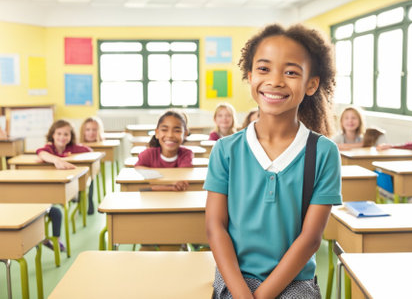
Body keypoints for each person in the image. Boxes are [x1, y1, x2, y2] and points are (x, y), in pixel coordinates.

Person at [204, 23, 341, 298]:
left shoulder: (324, 152)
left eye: (291, 72)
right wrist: (243, 294)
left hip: (293, 280)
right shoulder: (225, 149)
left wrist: (262, 296)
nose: (275, 81)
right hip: (235, 278)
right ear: (250, 74)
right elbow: (215, 227)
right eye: (264, 69)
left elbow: (310, 239)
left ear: (311, 84)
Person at [36, 119, 93, 251]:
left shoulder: (72, 148)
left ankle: (56, 240)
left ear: (71, 136)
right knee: (56, 212)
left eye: (66, 134)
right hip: (48, 190)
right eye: (59, 133)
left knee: (58, 211)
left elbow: (89, 151)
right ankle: (51, 240)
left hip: (67, 188)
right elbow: (41, 152)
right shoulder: (49, 148)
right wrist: (55, 159)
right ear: (52, 135)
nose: (62, 137)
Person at [134, 110, 193, 191]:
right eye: (164, 130)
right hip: (151, 200)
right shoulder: (147, 154)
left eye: (177, 131)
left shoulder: (186, 154)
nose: (170, 135)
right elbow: (139, 185)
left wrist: (157, 182)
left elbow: (182, 180)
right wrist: (171, 184)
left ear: (185, 134)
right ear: (157, 133)